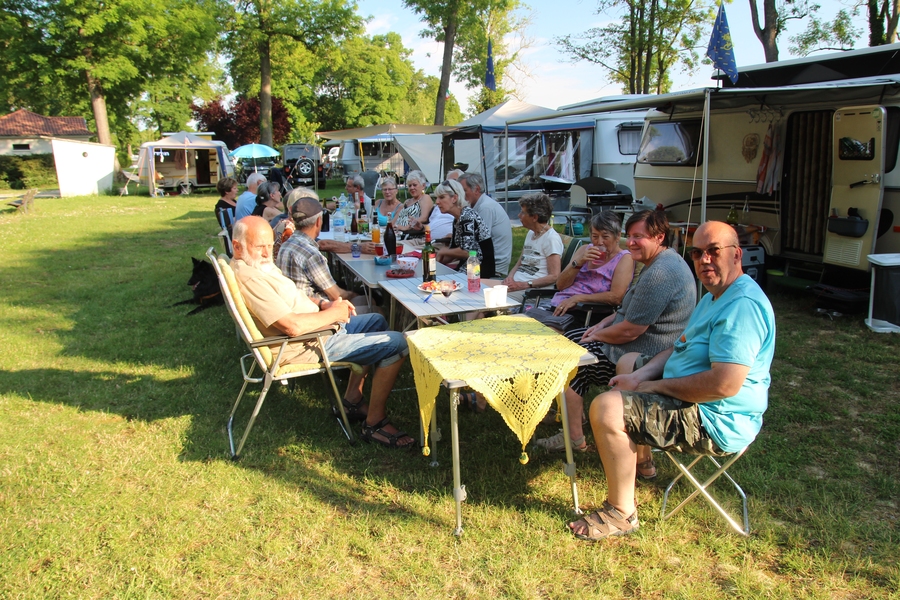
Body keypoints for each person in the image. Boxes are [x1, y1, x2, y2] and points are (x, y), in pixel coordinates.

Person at [567, 221, 776, 541]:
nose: (704, 259)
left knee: (607, 408)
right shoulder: (715, 295)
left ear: (737, 255)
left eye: (713, 251)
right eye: (697, 253)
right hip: (695, 394)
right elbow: (678, 346)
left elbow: (723, 385)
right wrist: (638, 376)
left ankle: (621, 513)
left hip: (715, 416)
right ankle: (644, 462)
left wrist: (652, 387)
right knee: (626, 363)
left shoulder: (741, 307)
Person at [231, 215, 415, 449]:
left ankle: (351, 400)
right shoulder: (250, 277)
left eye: (269, 245)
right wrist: (335, 314)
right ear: (238, 246)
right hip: (305, 343)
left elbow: (291, 297)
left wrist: (322, 304)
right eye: (260, 247)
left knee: (376, 321)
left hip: (316, 328)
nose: (268, 253)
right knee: (397, 342)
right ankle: (375, 424)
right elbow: (292, 327)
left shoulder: (255, 264)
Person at [534, 210, 695, 459]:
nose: (630, 243)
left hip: (642, 354)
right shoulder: (663, 262)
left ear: (659, 237)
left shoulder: (660, 274)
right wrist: (604, 323)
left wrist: (599, 336)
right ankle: (570, 423)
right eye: (629, 236)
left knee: (566, 360)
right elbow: (627, 309)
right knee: (566, 342)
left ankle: (574, 437)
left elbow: (632, 329)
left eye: (638, 237)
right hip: (635, 342)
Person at [525, 211, 634, 332]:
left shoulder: (624, 259)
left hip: (587, 313)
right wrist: (579, 262)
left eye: (605, 236)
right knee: (520, 326)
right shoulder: (584, 250)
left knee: (539, 334)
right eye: (595, 236)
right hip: (559, 308)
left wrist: (578, 299)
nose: (599, 242)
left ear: (618, 236)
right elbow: (561, 285)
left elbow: (616, 297)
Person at [276, 188, 372, 314]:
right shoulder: (311, 254)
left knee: (364, 299)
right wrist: (356, 294)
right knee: (375, 310)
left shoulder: (287, 244)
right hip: (317, 312)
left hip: (296, 305)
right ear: (318, 221)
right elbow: (336, 295)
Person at [434, 179, 496, 278]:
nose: (437, 202)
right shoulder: (458, 219)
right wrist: (435, 262)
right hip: (467, 268)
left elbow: (468, 252)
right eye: (436, 198)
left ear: (454, 198)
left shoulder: (467, 217)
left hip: (479, 271)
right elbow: (454, 251)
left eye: (441, 197)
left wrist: (443, 251)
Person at [501, 193, 563, 292]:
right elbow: (519, 263)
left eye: (523, 213)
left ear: (534, 217)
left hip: (531, 291)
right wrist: (510, 278)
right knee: (478, 286)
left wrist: (524, 285)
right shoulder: (531, 233)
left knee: (484, 295)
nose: (519, 215)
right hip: (515, 285)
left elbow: (554, 276)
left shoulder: (551, 239)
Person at [459, 172, 513, 276]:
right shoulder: (479, 205)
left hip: (494, 266)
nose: (461, 195)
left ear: (477, 190)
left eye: (464, 191)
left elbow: (476, 243)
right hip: (483, 259)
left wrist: (446, 252)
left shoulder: (485, 208)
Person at [392, 170, 434, 242]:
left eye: (414, 185)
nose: (411, 188)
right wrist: (390, 227)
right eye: (409, 185)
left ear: (423, 186)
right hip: (397, 234)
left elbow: (424, 218)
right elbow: (397, 217)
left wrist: (406, 227)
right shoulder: (407, 201)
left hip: (411, 236)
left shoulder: (425, 198)